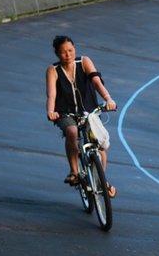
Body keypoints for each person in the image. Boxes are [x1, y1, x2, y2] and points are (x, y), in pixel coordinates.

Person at [45, 35, 117, 197]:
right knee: (72, 132)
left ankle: (101, 179)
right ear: (57, 54)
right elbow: (52, 95)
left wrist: (108, 99)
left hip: (89, 112)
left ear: (75, 49)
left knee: (100, 145)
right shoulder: (53, 70)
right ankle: (74, 172)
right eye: (63, 52)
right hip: (65, 112)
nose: (68, 55)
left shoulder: (84, 61)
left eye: (70, 50)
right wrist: (51, 111)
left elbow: (96, 81)